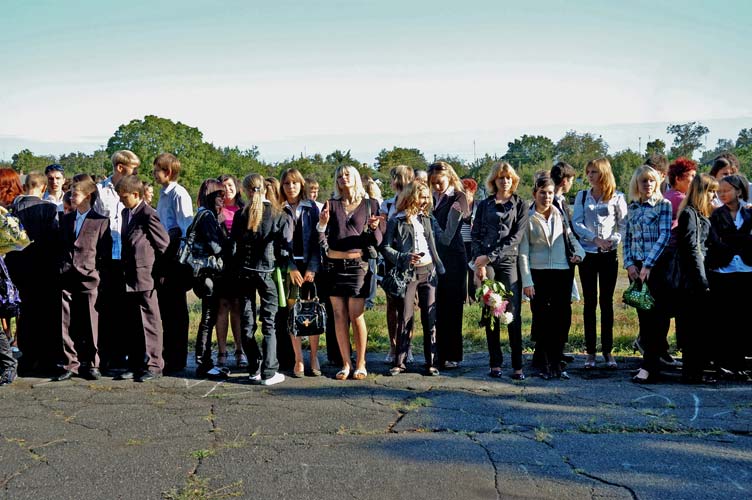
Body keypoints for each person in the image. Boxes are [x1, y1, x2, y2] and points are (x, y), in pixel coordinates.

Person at [317, 165, 382, 380]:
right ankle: (346, 363)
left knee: (356, 315)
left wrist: (374, 228)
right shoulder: (331, 204)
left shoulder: (371, 204)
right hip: (333, 268)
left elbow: (378, 241)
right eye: (339, 176)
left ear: (355, 178)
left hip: (358, 267)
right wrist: (322, 225)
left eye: (347, 175)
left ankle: (361, 362)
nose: (343, 178)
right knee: (338, 316)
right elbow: (320, 236)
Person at [520, 177, 584, 379]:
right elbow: (523, 252)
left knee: (561, 319)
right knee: (542, 319)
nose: (546, 197)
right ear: (534, 194)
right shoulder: (528, 218)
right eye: (542, 192)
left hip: (561, 271)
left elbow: (570, 237)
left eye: (549, 193)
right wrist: (527, 281)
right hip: (538, 273)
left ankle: (557, 362)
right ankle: (545, 363)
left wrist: (580, 253)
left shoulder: (560, 214)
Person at [232, 174, 291, 386]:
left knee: (247, 320)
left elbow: (233, 246)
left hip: (244, 272)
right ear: (265, 188)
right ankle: (269, 370)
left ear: (245, 190)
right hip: (267, 271)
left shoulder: (240, 215)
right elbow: (284, 248)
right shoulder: (278, 214)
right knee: (269, 322)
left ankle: (254, 367)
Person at [380, 181, 443, 376]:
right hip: (407, 274)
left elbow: (437, 241)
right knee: (405, 317)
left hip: (429, 271)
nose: (425, 201)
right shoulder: (396, 220)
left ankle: (431, 362)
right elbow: (385, 247)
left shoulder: (427, 218)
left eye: (427, 197)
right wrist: (404, 257)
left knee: (430, 318)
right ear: (411, 197)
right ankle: (400, 362)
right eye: (422, 197)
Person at [472, 162, 527, 380]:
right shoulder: (484, 205)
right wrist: (480, 263)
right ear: (494, 180)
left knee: (512, 313)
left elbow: (516, 237)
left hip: (508, 261)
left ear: (513, 180)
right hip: (486, 262)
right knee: (491, 311)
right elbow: (475, 234)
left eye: (508, 177)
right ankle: (495, 362)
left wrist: (490, 256)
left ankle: (517, 365)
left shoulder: (520, 204)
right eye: (500, 177)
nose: (505, 181)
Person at [572, 158, 627, 369]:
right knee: (589, 303)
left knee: (606, 303)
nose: (590, 176)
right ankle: (590, 352)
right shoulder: (582, 196)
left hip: (608, 255)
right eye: (588, 172)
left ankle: (608, 350)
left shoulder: (617, 197)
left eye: (594, 172)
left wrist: (612, 241)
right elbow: (577, 223)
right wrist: (594, 239)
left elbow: (623, 225)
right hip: (588, 254)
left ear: (604, 173)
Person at [55, 179, 111, 381]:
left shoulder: (100, 221)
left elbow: (104, 253)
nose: (71, 197)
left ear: (88, 196)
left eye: (75, 193)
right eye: (70, 193)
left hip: (89, 278)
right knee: (65, 322)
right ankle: (70, 363)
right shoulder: (66, 219)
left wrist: (97, 275)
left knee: (91, 323)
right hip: (66, 277)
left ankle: (93, 363)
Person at [116, 175, 170, 382]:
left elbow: (163, 244)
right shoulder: (126, 213)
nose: (122, 200)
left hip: (145, 276)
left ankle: (154, 365)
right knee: (133, 322)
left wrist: (157, 272)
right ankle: (136, 363)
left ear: (136, 194)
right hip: (129, 275)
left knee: (150, 321)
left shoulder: (148, 214)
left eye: (124, 197)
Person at [6, 172, 61, 375]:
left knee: (25, 313)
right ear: (44, 188)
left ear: (25, 186)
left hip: (19, 268)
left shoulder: (13, 210)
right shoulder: (49, 209)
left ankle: (27, 357)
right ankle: (45, 358)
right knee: (45, 314)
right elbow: (54, 239)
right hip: (44, 269)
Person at [623, 166, 672, 383]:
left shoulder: (663, 205)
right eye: (644, 181)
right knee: (644, 319)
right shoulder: (632, 207)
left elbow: (664, 235)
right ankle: (650, 363)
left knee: (656, 319)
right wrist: (629, 264)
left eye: (651, 180)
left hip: (656, 268)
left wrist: (648, 265)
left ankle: (649, 367)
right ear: (637, 184)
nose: (648, 184)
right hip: (636, 267)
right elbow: (627, 237)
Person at [93, 150, 140, 373]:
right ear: (121, 168)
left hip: (127, 256)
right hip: (106, 256)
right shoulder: (100, 191)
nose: (135, 173)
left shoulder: (134, 190)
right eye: (133, 169)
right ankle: (108, 354)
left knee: (127, 308)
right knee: (107, 307)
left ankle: (125, 353)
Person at [706, 174, 752, 378]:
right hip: (723, 270)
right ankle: (723, 363)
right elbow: (715, 241)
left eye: (727, 191)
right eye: (720, 192)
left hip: (746, 270)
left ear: (739, 191)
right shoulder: (716, 215)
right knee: (724, 318)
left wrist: (734, 239)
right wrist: (741, 239)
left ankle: (740, 362)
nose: (722, 195)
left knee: (743, 318)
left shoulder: (749, 213)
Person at [674, 174, 718, 384]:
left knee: (699, 327)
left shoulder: (700, 214)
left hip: (698, 277)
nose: (714, 196)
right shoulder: (689, 215)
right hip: (692, 281)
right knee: (693, 328)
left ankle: (695, 371)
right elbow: (693, 249)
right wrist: (702, 280)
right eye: (711, 191)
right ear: (701, 192)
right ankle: (692, 373)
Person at [279, 169, 322, 377]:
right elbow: (279, 242)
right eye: (287, 183)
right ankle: (298, 359)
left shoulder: (311, 207)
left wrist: (312, 267)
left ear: (301, 184)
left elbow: (317, 240)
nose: (291, 187)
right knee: (294, 314)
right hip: (290, 268)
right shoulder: (279, 208)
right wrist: (291, 267)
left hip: (309, 267)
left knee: (311, 312)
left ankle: (313, 357)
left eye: (295, 183)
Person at [153, 153, 194, 373]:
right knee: (166, 310)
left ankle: (177, 358)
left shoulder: (179, 194)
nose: (154, 174)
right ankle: (168, 354)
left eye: (156, 170)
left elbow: (185, 228)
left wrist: (177, 261)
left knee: (176, 310)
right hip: (163, 256)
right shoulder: (163, 194)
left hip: (175, 258)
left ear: (168, 172)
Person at [428, 162, 469, 370]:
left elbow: (448, 235)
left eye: (440, 182)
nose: (436, 187)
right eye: (433, 183)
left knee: (452, 308)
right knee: (436, 308)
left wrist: (430, 225)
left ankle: (453, 354)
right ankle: (438, 354)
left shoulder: (459, 198)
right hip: (433, 258)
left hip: (453, 258)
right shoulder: (429, 198)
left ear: (450, 178)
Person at [192, 179, 233, 379]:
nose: (222, 199)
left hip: (204, 274)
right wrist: (230, 245)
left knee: (208, 317)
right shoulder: (207, 217)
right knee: (208, 318)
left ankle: (204, 361)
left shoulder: (204, 214)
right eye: (219, 195)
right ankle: (203, 363)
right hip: (207, 274)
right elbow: (215, 247)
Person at [380, 166, 415, 363]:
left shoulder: (415, 202)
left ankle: (407, 346)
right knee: (392, 304)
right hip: (391, 259)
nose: (391, 182)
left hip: (411, 259)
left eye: (393, 178)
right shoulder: (387, 204)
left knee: (408, 305)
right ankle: (393, 346)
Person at [214, 174, 247, 369]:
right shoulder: (215, 210)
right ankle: (222, 352)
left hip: (239, 264)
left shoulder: (244, 208)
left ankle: (240, 350)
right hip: (221, 264)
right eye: (223, 186)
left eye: (230, 185)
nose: (227, 189)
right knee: (222, 306)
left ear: (237, 187)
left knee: (237, 307)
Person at [664, 157, 698, 228]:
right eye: (692, 176)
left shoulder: (667, 194)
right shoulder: (680, 199)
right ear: (678, 179)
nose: (695, 180)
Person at [460, 177, 478, 304]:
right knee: (461, 272)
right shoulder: (457, 205)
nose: (462, 194)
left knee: (473, 272)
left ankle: (473, 298)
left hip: (473, 243)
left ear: (472, 192)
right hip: (460, 243)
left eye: (465, 191)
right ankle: (463, 299)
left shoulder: (479, 206)